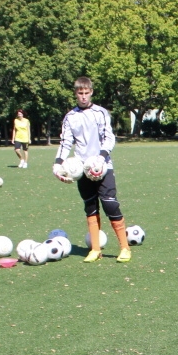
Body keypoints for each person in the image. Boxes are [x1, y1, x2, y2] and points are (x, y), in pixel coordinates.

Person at [52, 77, 130, 263]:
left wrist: (100, 158)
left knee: (110, 204)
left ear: (91, 92)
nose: (84, 97)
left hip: (102, 166)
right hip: (81, 168)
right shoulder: (70, 117)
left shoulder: (101, 113)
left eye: (87, 93)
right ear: (76, 94)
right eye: (80, 93)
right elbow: (66, 142)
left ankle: (125, 248)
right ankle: (95, 249)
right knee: (90, 206)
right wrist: (58, 163)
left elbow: (109, 138)